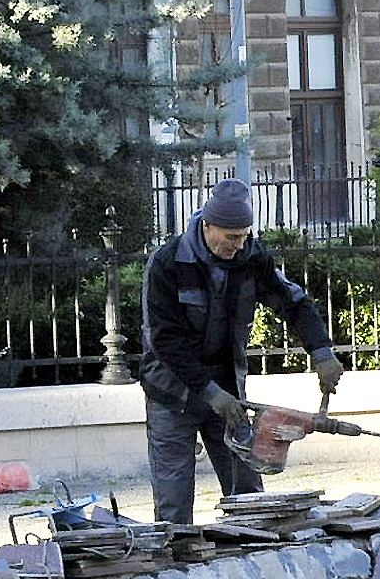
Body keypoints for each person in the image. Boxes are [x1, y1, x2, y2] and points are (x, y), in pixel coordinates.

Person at [138, 178, 344, 524]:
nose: (239, 243)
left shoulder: (252, 258)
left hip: (229, 398)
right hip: (172, 395)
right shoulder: (168, 263)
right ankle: (176, 564)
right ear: (207, 225)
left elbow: (293, 302)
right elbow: (164, 340)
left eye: (245, 234)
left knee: (250, 499)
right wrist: (208, 392)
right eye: (232, 236)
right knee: (173, 505)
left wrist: (321, 350)